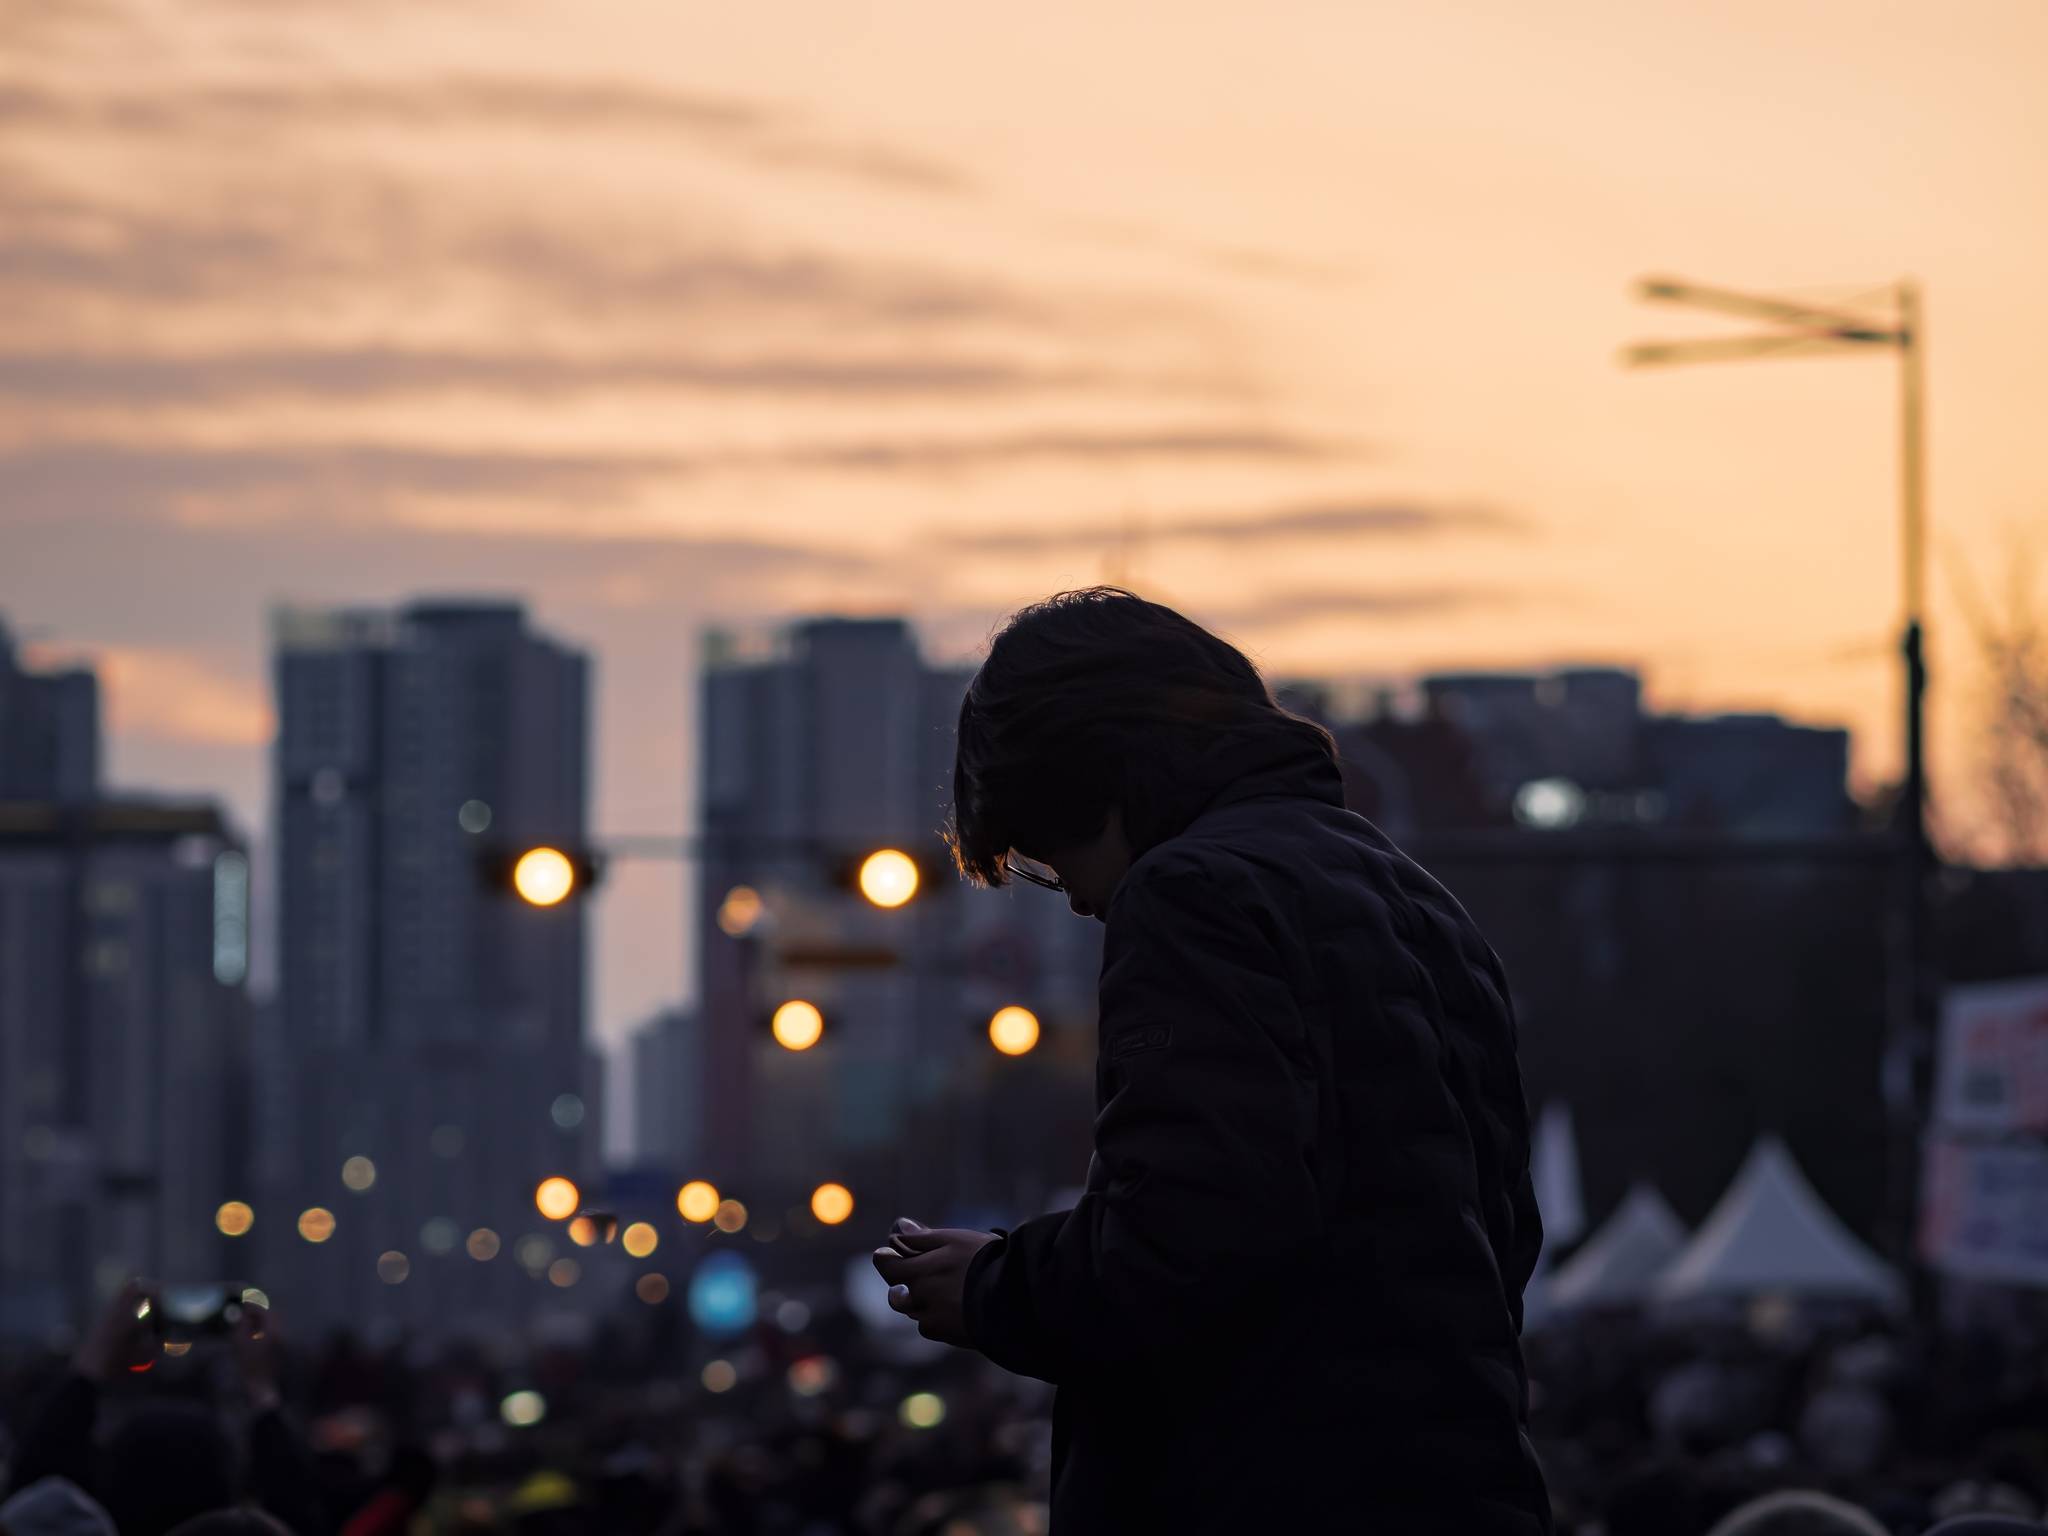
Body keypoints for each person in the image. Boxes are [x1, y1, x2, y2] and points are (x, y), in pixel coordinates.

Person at [873, 588, 1552, 1533]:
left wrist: (992, 1287)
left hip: (1266, 1487)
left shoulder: (1191, 892)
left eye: (1044, 851)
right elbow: (1502, 1237)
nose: (1068, 896)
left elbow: (1191, 1238)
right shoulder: (1423, 902)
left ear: (1091, 780)